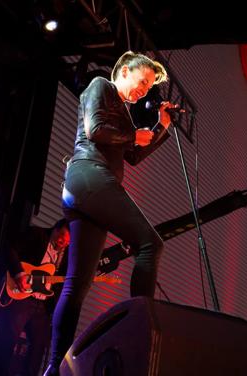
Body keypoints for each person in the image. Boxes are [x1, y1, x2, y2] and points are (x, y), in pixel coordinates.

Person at [43, 51, 175, 375]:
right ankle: (140, 342)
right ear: (125, 70)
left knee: (77, 286)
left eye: (148, 87)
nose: (143, 90)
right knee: (150, 244)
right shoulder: (100, 86)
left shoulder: (127, 118)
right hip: (88, 175)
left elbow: (133, 156)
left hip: (87, 192)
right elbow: (95, 129)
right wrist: (134, 135)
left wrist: (161, 128)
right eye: (142, 81)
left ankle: (52, 369)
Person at [0, 219, 70, 376]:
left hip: (42, 305)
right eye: (62, 237)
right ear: (56, 228)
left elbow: (61, 280)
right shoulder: (37, 234)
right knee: (7, 339)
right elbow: (10, 249)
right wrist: (19, 273)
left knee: (37, 351)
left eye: (67, 243)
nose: (63, 243)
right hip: (23, 297)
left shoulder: (67, 255)